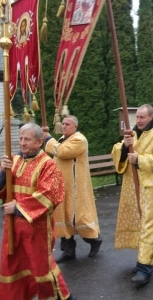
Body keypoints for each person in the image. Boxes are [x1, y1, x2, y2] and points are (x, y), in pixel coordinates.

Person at [0, 123, 75, 300]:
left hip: (37, 229)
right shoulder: (14, 160)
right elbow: (3, 189)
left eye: (27, 139)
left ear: (39, 141)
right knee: (13, 265)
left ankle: (63, 297)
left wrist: (17, 207)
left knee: (41, 267)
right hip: (13, 228)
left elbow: (49, 197)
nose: (22, 143)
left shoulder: (48, 165)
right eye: (20, 138)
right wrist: (3, 172)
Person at [111, 104, 153, 287]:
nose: (138, 121)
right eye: (137, 117)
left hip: (151, 188)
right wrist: (124, 147)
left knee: (150, 224)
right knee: (139, 223)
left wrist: (139, 159)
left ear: (152, 117)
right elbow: (117, 151)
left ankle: (144, 268)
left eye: (142, 117)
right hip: (132, 187)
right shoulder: (132, 134)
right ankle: (147, 260)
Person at [43, 115, 102, 263]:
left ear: (75, 126)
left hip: (76, 187)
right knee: (62, 217)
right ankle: (68, 251)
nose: (64, 126)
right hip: (62, 185)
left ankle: (94, 240)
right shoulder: (64, 138)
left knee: (78, 217)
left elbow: (62, 152)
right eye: (63, 124)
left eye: (67, 124)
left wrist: (47, 138)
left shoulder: (79, 140)